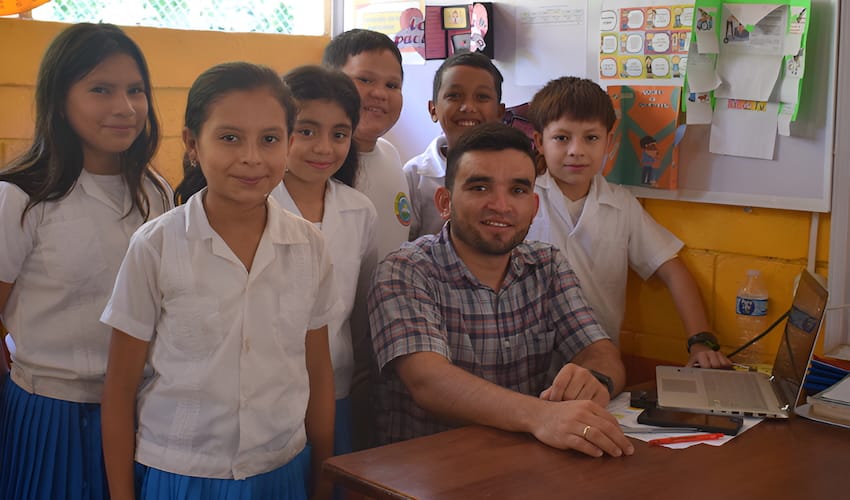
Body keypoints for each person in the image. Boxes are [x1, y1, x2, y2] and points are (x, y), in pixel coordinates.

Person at [100, 62, 338, 500]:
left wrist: (322, 481)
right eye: (229, 138)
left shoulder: (310, 247)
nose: (251, 157)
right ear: (193, 143)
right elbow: (118, 392)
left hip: (281, 468)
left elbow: (318, 371)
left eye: (270, 139)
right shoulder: (155, 246)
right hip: (180, 474)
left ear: (288, 143)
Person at [368, 122, 634, 458]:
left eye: (518, 190)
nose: (501, 205)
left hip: (522, 467)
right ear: (445, 201)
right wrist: (541, 416)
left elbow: (601, 352)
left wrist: (596, 379)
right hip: (423, 474)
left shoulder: (547, 265)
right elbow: (429, 382)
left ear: (533, 208)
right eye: (480, 188)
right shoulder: (405, 270)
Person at [0, 23, 171, 499]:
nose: (125, 107)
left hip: (143, 405)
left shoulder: (154, 191)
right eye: (101, 89)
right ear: (59, 98)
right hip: (51, 410)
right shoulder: (22, 197)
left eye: (135, 90)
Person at [525, 77, 731, 369]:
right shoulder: (522, 198)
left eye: (591, 138)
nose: (576, 150)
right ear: (539, 142)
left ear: (609, 142)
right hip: (530, 365)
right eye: (562, 138)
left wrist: (700, 341)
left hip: (599, 367)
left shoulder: (621, 205)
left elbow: (673, 271)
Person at [268, 65, 378, 459]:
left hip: (337, 387)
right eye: (307, 130)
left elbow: (362, 308)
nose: (323, 148)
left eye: (339, 134)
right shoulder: (253, 206)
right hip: (267, 394)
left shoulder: (358, 210)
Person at [323, 29, 410, 261]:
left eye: (392, 85)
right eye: (365, 79)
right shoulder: (317, 165)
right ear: (329, 80)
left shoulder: (391, 154)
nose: (380, 93)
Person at [404, 51, 505, 240]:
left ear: (500, 113)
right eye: (454, 95)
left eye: (482, 97)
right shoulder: (414, 175)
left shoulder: (514, 169)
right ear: (433, 109)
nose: (468, 107)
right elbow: (404, 243)